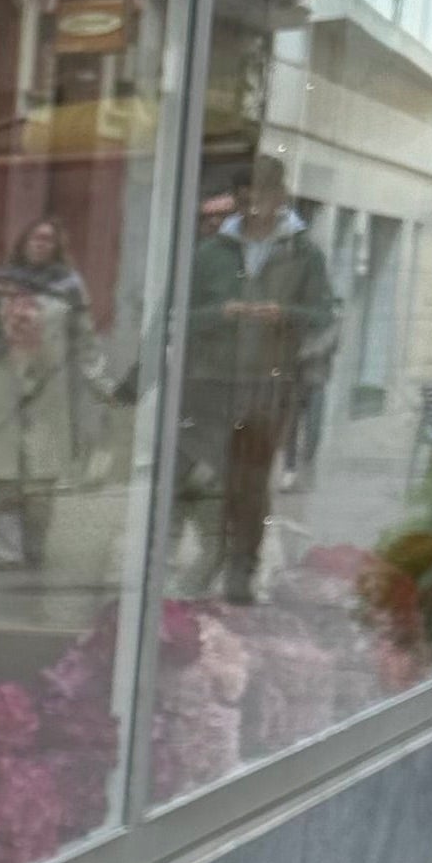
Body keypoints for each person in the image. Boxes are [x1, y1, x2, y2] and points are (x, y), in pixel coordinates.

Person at [178, 156, 337, 601]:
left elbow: (325, 315)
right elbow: (181, 314)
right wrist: (219, 313)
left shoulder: (302, 252)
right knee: (203, 482)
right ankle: (207, 560)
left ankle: (240, 574)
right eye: (246, 198)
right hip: (211, 384)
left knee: (249, 483)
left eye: (264, 196)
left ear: (280, 196)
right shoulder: (211, 252)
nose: (254, 206)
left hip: (270, 385)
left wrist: (284, 314)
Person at [0, 215, 126, 569]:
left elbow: (84, 340)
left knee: (40, 480)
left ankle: (34, 547)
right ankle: (5, 547)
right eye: (35, 237)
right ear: (22, 242)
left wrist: (100, 383)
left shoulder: (69, 286)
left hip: (48, 390)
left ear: (57, 247)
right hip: (0, 383)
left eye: (48, 239)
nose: (40, 243)